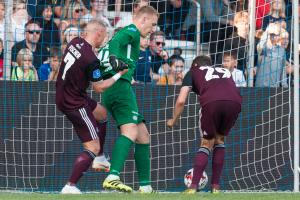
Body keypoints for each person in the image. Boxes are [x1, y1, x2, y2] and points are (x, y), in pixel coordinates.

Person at [56, 19, 128, 194]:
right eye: (105, 35)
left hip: (66, 93)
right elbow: (99, 87)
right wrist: (119, 74)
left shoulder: (74, 42)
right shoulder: (91, 59)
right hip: (74, 102)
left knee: (102, 114)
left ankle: (101, 158)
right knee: (92, 147)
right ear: (98, 34)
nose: (105, 38)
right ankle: (70, 186)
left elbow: (83, 67)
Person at [97, 5, 159, 193]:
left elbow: (110, 48)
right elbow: (115, 42)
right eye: (153, 24)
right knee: (130, 131)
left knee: (143, 136)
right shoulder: (131, 31)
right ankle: (113, 176)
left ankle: (146, 187)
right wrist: (116, 59)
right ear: (143, 19)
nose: (153, 29)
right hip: (120, 86)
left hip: (116, 86)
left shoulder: (132, 35)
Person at [167, 55, 242, 194]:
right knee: (219, 140)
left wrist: (173, 120)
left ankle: (193, 186)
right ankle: (215, 187)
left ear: (194, 65)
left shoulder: (193, 72)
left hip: (212, 102)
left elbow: (181, 101)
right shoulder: (223, 70)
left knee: (206, 142)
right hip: (235, 101)